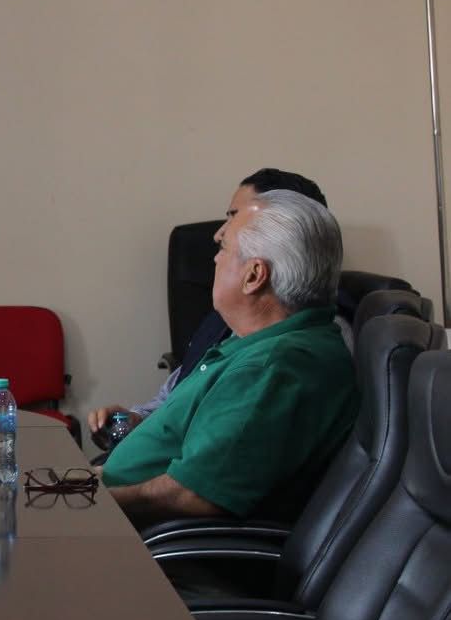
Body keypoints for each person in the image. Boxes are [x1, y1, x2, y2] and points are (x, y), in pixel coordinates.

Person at [101, 189, 357, 524]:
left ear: (254, 275)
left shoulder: (270, 368)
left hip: (140, 537)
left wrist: (89, 499)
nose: (215, 259)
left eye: (223, 248)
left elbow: (191, 495)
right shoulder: (258, 344)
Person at [87, 168, 329, 443]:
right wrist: (136, 419)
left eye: (236, 217)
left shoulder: (284, 358)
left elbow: (206, 459)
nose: (218, 235)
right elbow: (176, 397)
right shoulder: (226, 320)